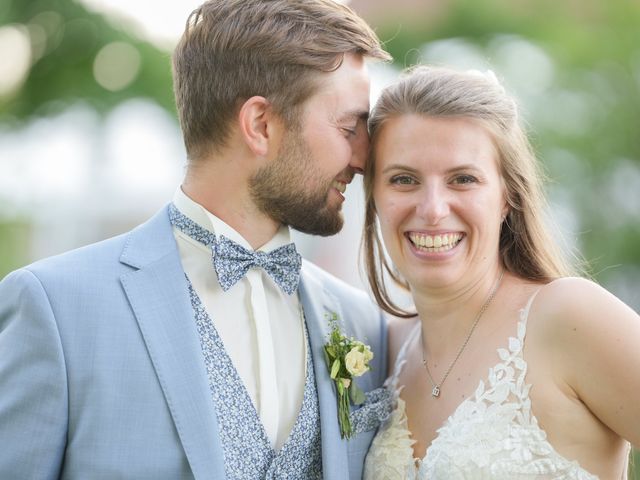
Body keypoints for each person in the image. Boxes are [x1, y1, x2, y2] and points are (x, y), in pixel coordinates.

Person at [0, 1, 392, 478]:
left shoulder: (360, 322)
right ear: (260, 125)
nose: (364, 157)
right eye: (350, 128)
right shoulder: (57, 309)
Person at [360, 66, 640, 479]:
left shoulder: (568, 317)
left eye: (462, 179)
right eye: (404, 179)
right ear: (375, 195)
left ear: (507, 196)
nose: (433, 209)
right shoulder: (386, 350)